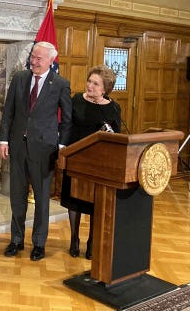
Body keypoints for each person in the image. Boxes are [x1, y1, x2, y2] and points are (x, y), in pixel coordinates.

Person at [0, 41, 72, 261]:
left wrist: (60, 147)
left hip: (44, 149)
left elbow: (67, 120)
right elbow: (8, 111)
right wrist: (4, 140)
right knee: (17, 197)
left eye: (39, 58)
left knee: (41, 199)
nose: (34, 61)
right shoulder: (19, 78)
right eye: (33, 56)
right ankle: (16, 240)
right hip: (18, 147)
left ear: (51, 60)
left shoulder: (60, 84)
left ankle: (39, 243)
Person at [60, 65, 122, 260]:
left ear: (105, 88)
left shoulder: (113, 108)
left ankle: (92, 242)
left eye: (96, 84)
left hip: (98, 163)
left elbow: (117, 136)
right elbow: (67, 124)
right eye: (89, 81)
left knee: (96, 202)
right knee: (74, 201)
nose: (90, 86)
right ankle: (74, 239)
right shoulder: (77, 100)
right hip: (76, 157)